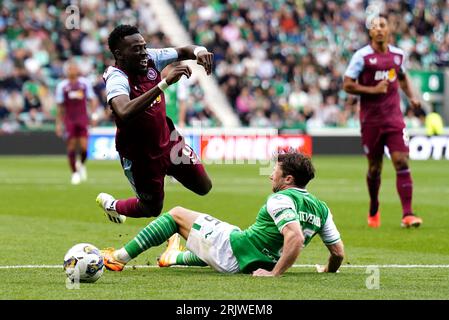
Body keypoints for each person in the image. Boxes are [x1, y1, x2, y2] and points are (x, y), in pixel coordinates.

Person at [101, 151, 345, 276]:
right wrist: (327, 270)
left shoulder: (280, 198)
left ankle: (119, 258)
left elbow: (295, 237)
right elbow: (338, 253)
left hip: (235, 252)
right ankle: (173, 257)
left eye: (276, 171)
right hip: (250, 259)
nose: (271, 175)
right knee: (228, 233)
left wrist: (275, 274)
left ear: (288, 179)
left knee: (175, 214)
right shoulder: (322, 209)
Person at [97, 25, 213, 223]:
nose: (143, 53)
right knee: (151, 209)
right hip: (141, 156)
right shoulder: (116, 77)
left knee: (204, 187)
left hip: (169, 143)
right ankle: (113, 206)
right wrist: (164, 84)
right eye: (136, 49)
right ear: (119, 54)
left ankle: (167, 168)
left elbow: (185, 50)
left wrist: (200, 51)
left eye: (143, 46)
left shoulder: (152, 58)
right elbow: (124, 111)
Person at [343, 15, 423, 228]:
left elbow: (403, 77)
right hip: (370, 121)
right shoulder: (362, 57)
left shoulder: (398, 55)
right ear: (370, 32)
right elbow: (347, 84)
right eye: (374, 26)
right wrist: (372, 90)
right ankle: (374, 206)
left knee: (401, 160)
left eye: (382, 25)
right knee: (375, 168)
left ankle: (408, 214)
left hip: (394, 119)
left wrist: (412, 97)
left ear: (389, 29)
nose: (379, 29)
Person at [55, 61, 98, 185]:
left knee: (84, 147)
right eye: (70, 68)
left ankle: (81, 164)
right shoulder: (62, 86)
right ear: (67, 71)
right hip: (69, 120)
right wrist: (58, 123)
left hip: (82, 118)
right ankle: (74, 173)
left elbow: (92, 99)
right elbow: (60, 107)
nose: (72, 70)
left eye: (74, 68)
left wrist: (94, 115)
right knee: (72, 146)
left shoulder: (84, 83)